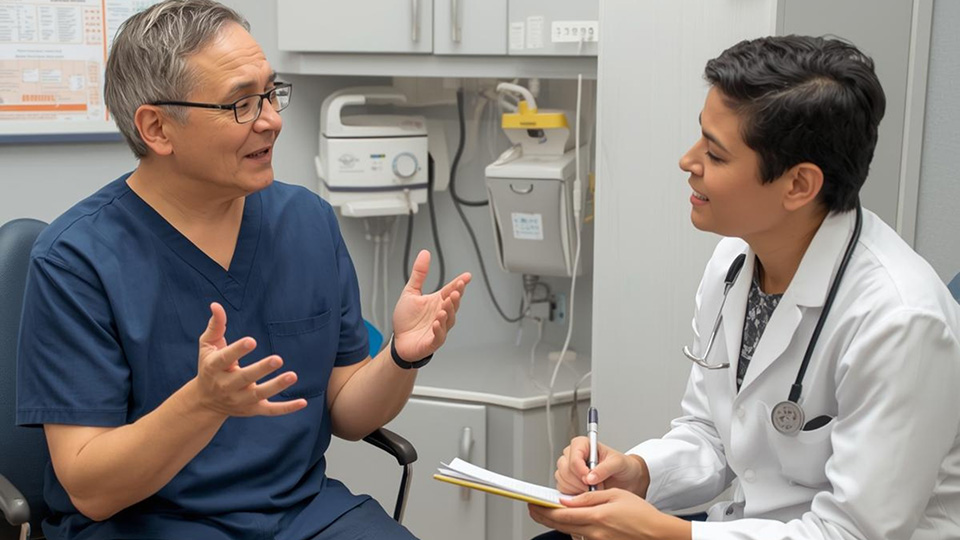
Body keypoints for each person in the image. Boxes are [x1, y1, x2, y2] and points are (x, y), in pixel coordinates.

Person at [15, 1, 470, 539]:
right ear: (157, 128)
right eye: (241, 104)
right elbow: (91, 490)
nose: (272, 119)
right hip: (148, 525)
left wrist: (400, 356)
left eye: (271, 94)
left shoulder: (307, 222)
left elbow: (348, 413)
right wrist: (202, 404)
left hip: (305, 516)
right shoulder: (75, 260)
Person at [530, 35, 960, 540]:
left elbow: (854, 533)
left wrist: (669, 535)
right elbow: (713, 433)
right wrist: (638, 473)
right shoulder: (735, 261)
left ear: (798, 185)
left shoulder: (900, 321)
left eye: (714, 153)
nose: (688, 162)